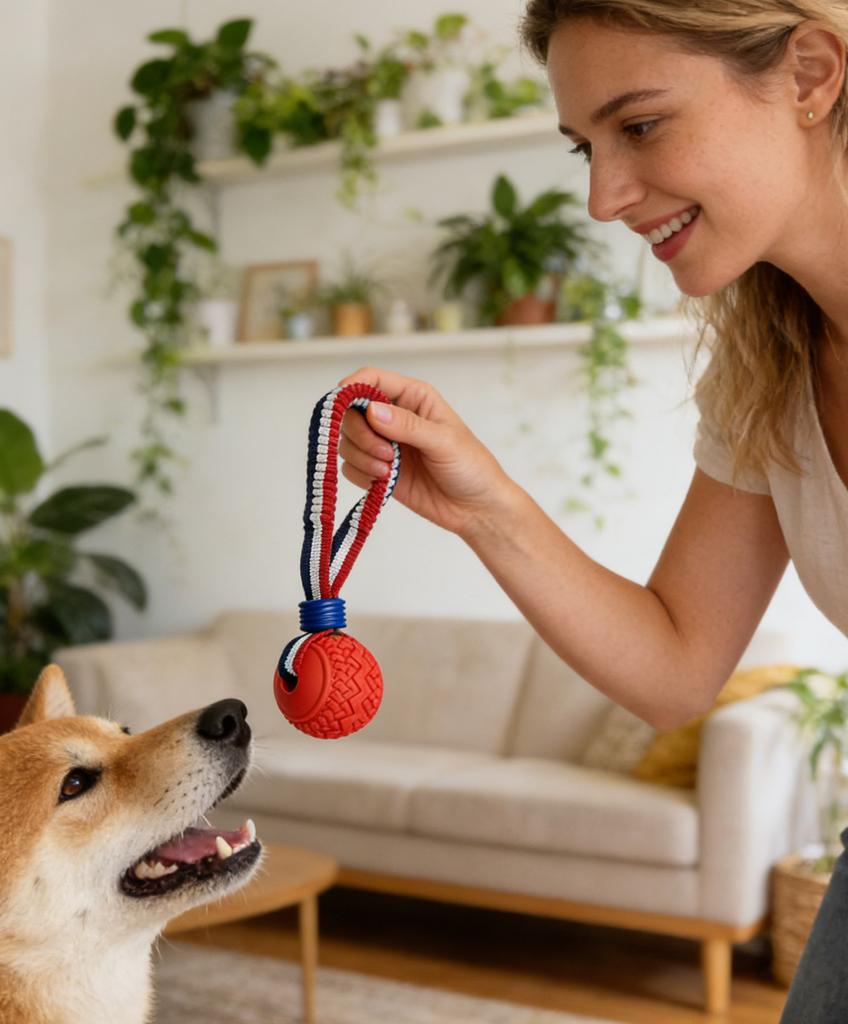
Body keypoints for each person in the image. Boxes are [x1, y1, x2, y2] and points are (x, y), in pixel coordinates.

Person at [338, 2, 848, 1020]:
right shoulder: (769, 381)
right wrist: (484, 504)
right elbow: (672, 668)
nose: (603, 196)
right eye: (585, 146)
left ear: (808, 74)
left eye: (641, 125)